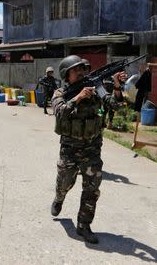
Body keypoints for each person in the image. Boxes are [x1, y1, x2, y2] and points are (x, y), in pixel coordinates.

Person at [51, 55, 126, 244]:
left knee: (92, 189)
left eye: (82, 69)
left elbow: (115, 105)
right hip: (69, 150)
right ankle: (59, 198)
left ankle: (84, 225)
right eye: (76, 70)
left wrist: (116, 86)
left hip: (92, 150)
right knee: (64, 184)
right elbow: (59, 113)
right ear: (66, 75)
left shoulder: (96, 89)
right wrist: (78, 97)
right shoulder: (60, 92)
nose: (81, 72)